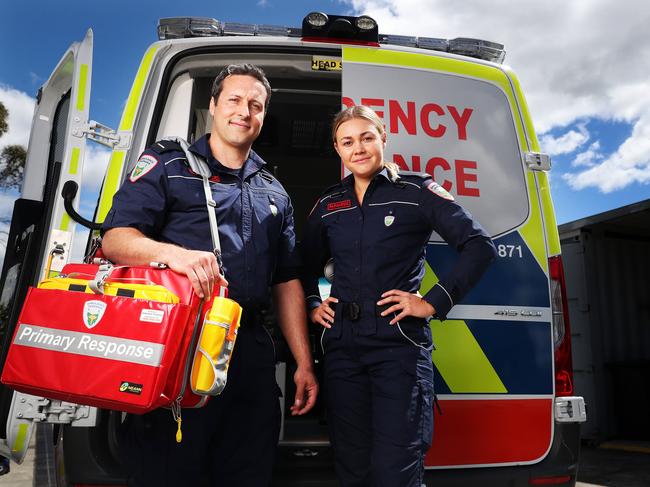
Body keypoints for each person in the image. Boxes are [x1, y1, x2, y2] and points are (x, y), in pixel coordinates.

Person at [101, 63, 318, 487]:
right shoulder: (167, 163)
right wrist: (171, 254)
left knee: (248, 468)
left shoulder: (275, 191)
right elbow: (116, 239)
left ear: (262, 117)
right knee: (168, 469)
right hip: (179, 343)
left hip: (250, 349)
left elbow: (287, 282)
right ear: (214, 106)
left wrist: (304, 364)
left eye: (255, 105)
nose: (244, 111)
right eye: (234, 100)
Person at [301, 105, 497, 487]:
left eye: (366, 137)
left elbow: (479, 246)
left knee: (397, 471)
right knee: (351, 467)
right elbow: (299, 263)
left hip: (399, 347)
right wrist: (312, 303)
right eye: (347, 141)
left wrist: (432, 302)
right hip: (343, 350)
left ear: (383, 139)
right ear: (337, 149)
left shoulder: (416, 192)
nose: (358, 148)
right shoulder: (328, 204)